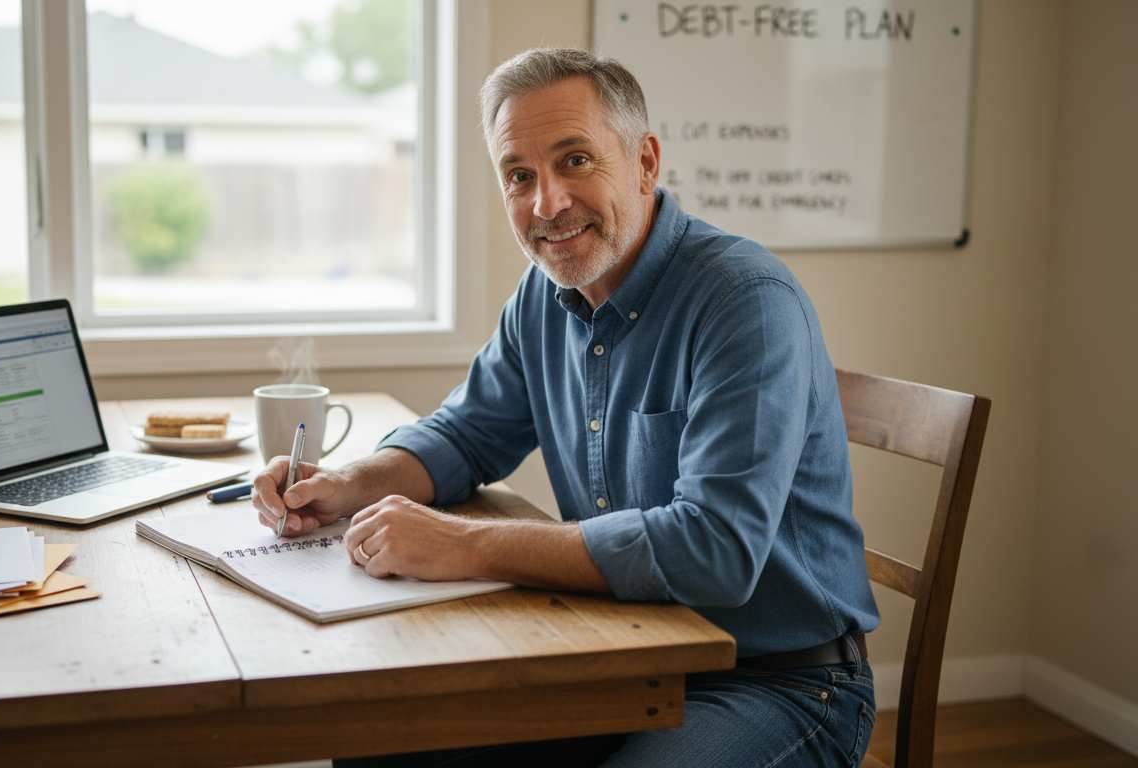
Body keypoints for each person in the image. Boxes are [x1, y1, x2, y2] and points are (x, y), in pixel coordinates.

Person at [252, 48, 880, 767]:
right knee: (388, 740)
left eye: (575, 161)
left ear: (644, 162)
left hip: (779, 682)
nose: (546, 204)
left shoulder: (745, 301)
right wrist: (347, 484)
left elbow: (716, 550)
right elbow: (466, 435)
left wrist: (463, 545)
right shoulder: (543, 296)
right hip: (619, 653)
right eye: (519, 175)